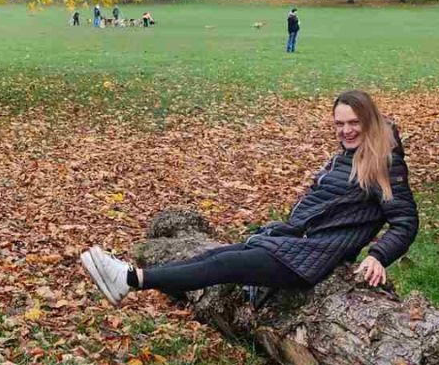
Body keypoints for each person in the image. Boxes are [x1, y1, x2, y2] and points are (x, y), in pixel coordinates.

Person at [80, 90, 418, 307]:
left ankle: (129, 280)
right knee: (223, 253)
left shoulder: (384, 163)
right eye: (339, 124)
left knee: (225, 266)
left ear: (370, 121)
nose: (345, 131)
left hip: (311, 258)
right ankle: (133, 276)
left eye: (354, 123)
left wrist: (377, 255)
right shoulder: (347, 154)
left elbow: (405, 222)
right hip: (294, 242)